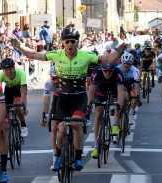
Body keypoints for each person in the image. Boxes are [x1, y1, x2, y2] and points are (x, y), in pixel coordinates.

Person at [10, 27, 128, 171]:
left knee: (76, 125)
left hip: (79, 98)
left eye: (73, 41)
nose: (70, 44)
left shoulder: (86, 56)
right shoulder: (56, 54)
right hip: (63, 98)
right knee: (61, 128)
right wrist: (19, 46)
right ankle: (58, 157)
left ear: (77, 43)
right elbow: (34, 55)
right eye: (67, 42)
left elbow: (108, 59)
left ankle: (78, 157)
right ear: (63, 43)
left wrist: (120, 48)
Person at [88, 62, 125, 158]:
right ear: (102, 70)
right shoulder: (97, 72)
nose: (108, 73)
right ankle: (96, 145)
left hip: (114, 87)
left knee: (118, 105)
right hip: (101, 87)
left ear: (113, 70)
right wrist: (89, 104)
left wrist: (119, 105)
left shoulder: (118, 72)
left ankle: (115, 124)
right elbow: (91, 90)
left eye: (110, 71)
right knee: (99, 113)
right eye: (105, 71)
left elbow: (120, 91)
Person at [0, 58, 29, 137]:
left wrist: (24, 106)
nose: (9, 72)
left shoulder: (21, 73)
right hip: (8, 90)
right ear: (3, 70)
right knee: (5, 110)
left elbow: (23, 92)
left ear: (14, 68)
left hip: (19, 90)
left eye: (10, 69)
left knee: (16, 107)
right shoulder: (0, 75)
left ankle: (23, 125)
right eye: (6, 70)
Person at [40, 66, 61, 170]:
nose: (55, 81)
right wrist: (44, 116)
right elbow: (46, 101)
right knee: (53, 127)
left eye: (58, 78)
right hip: (57, 98)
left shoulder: (66, 81)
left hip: (68, 97)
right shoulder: (48, 83)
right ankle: (55, 155)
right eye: (53, 78)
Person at [117, 52, 141, 124]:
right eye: (124, 63)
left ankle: (130, 115)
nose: (126, 65)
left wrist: (138, 98)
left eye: (128, 63)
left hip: (131, 85)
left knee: (134, 97)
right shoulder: (117, 69)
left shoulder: (135, 70)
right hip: (121, 85)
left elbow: (137, 85)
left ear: (132, 63)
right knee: (123, 96)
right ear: (121, 62)